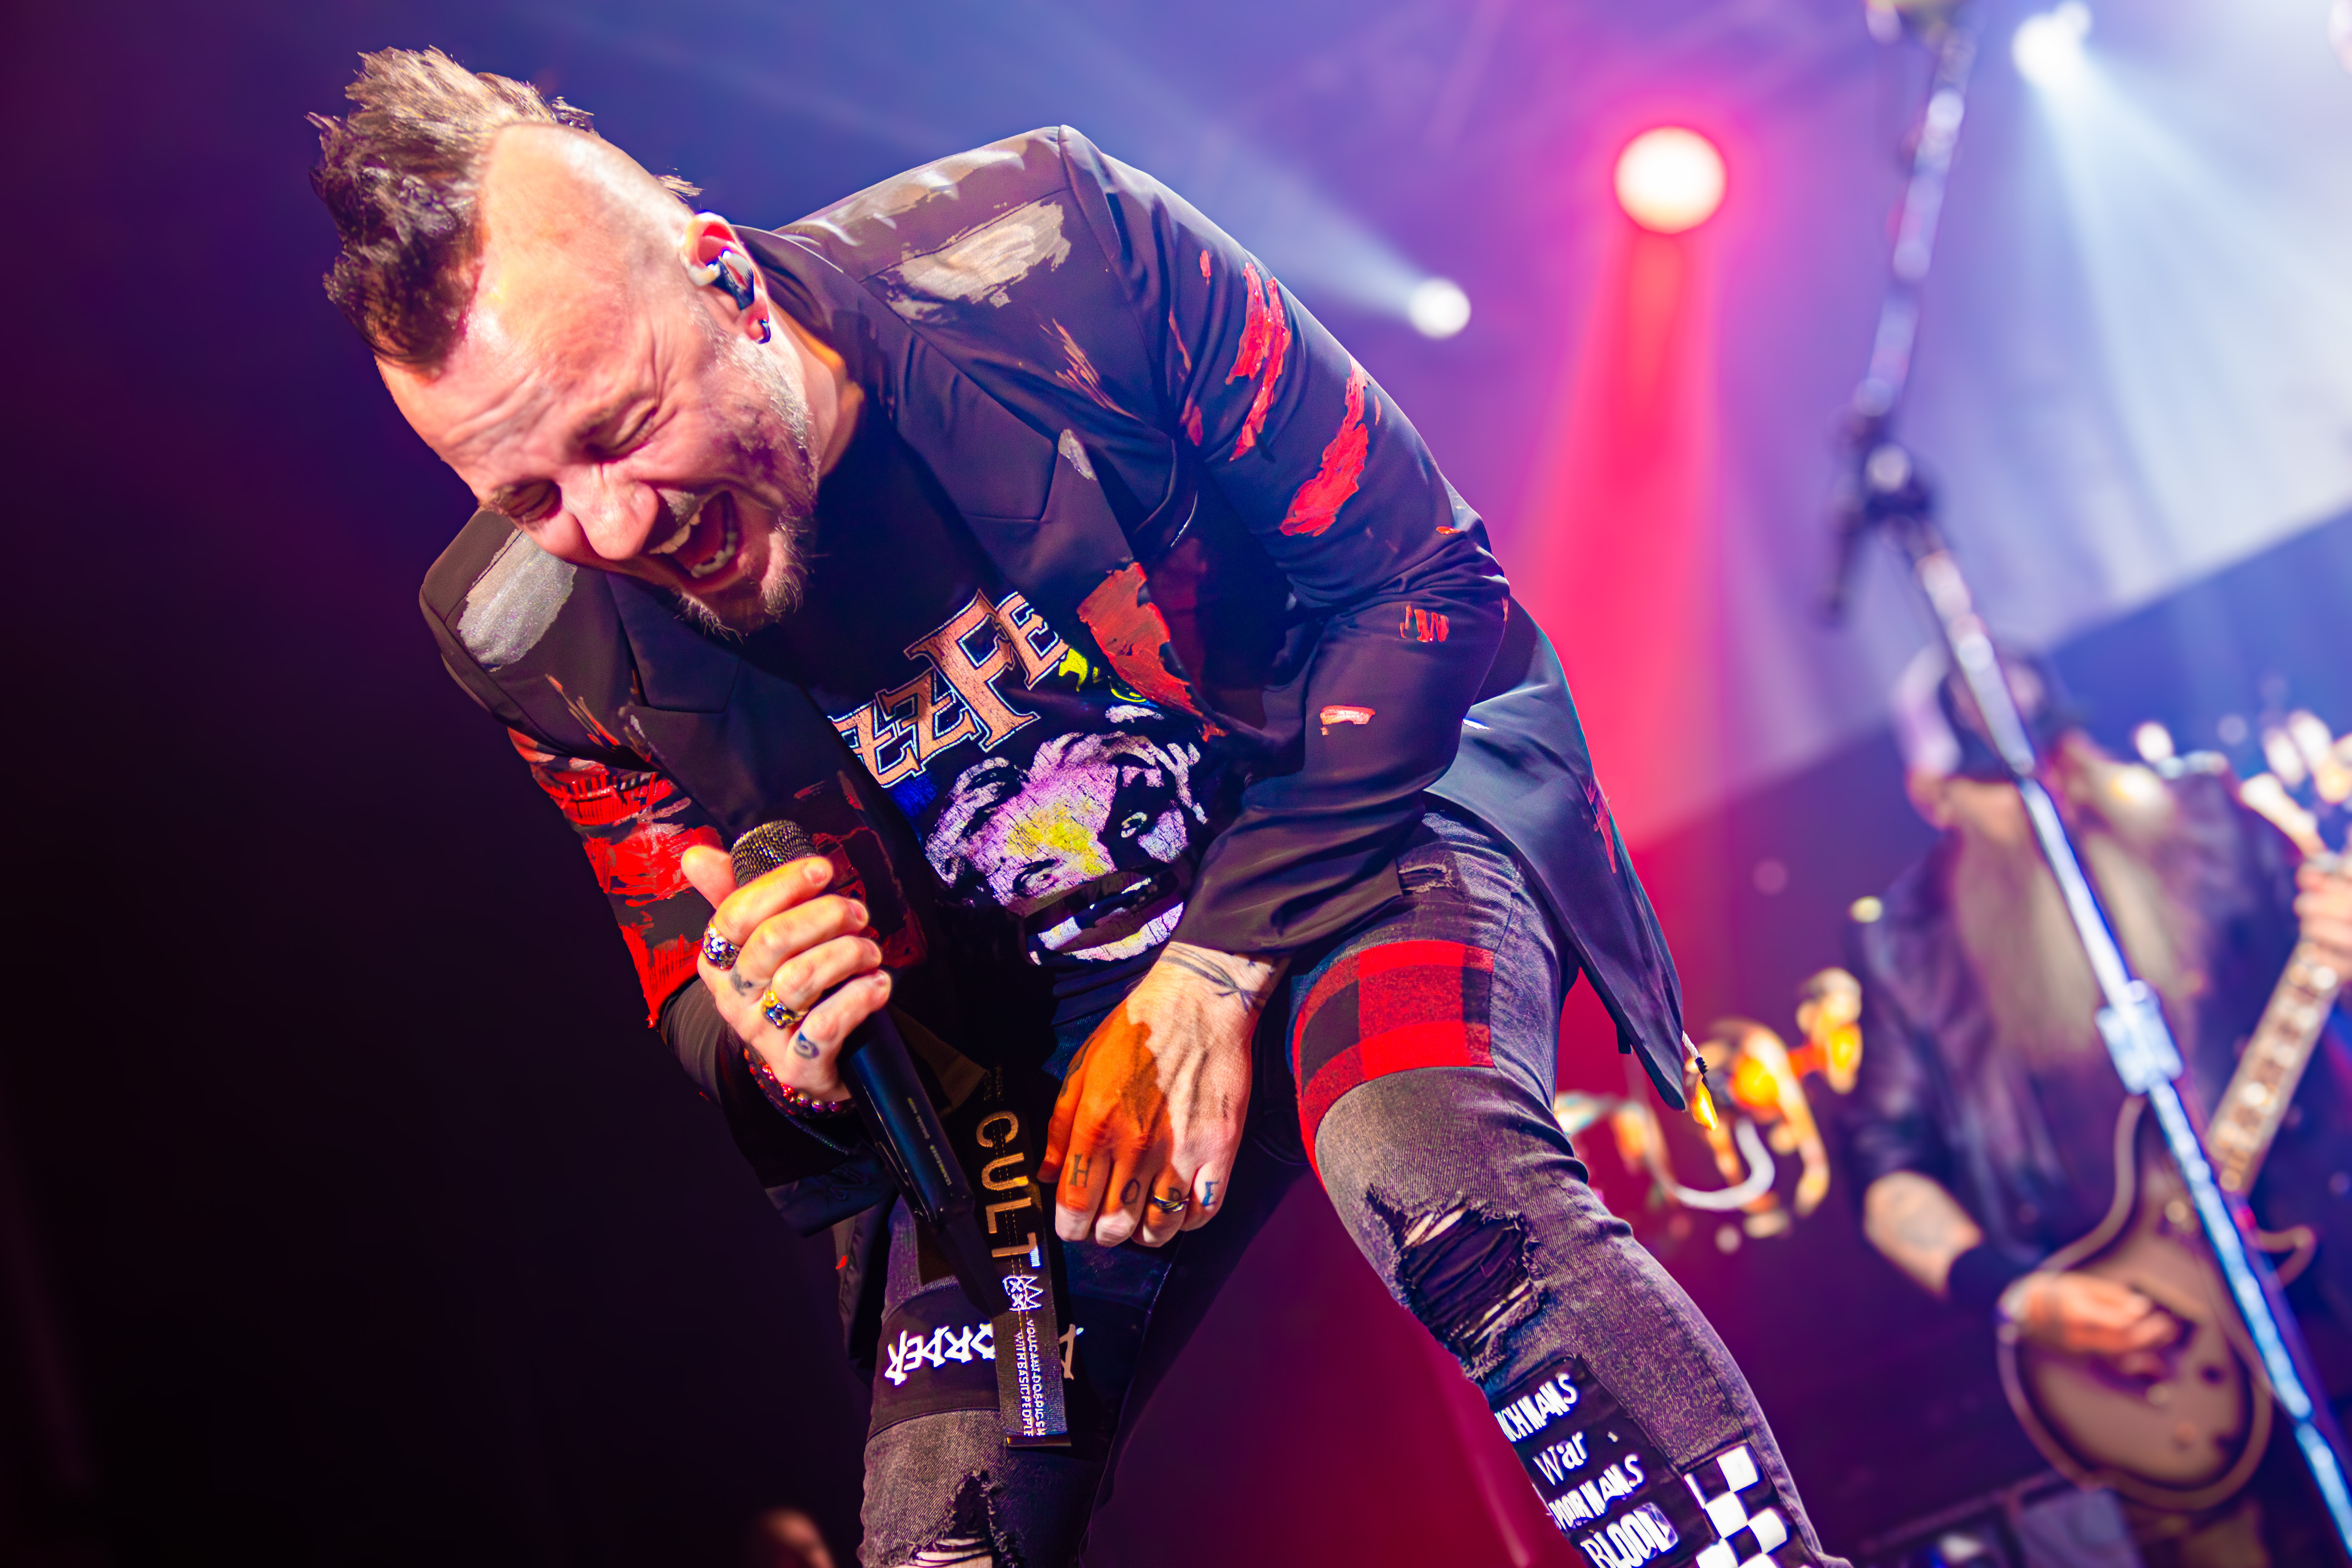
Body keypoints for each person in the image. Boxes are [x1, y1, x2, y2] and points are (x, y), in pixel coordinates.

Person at [309, 49, 1846, 1568]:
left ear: (724, 279)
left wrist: (1214, 969)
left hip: (1336, 820)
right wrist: (779, 1042)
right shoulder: (521, 634)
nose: (614, 522)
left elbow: (1422, 586)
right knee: (940, 1539)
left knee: (1438, 1181)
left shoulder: (1054, 252)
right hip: (1027, 1047)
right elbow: (685, 988)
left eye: (619, 427)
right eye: (529, 496)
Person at [1840, 649, 2352, 1568]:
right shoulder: (1907, 947)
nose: (2047, 788)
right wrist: (2024, 1296)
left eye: (2052, 750)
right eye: (2001, 778)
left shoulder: (2210, 821)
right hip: (2155, 1383)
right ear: (1934, 795)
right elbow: (1888, 1172)